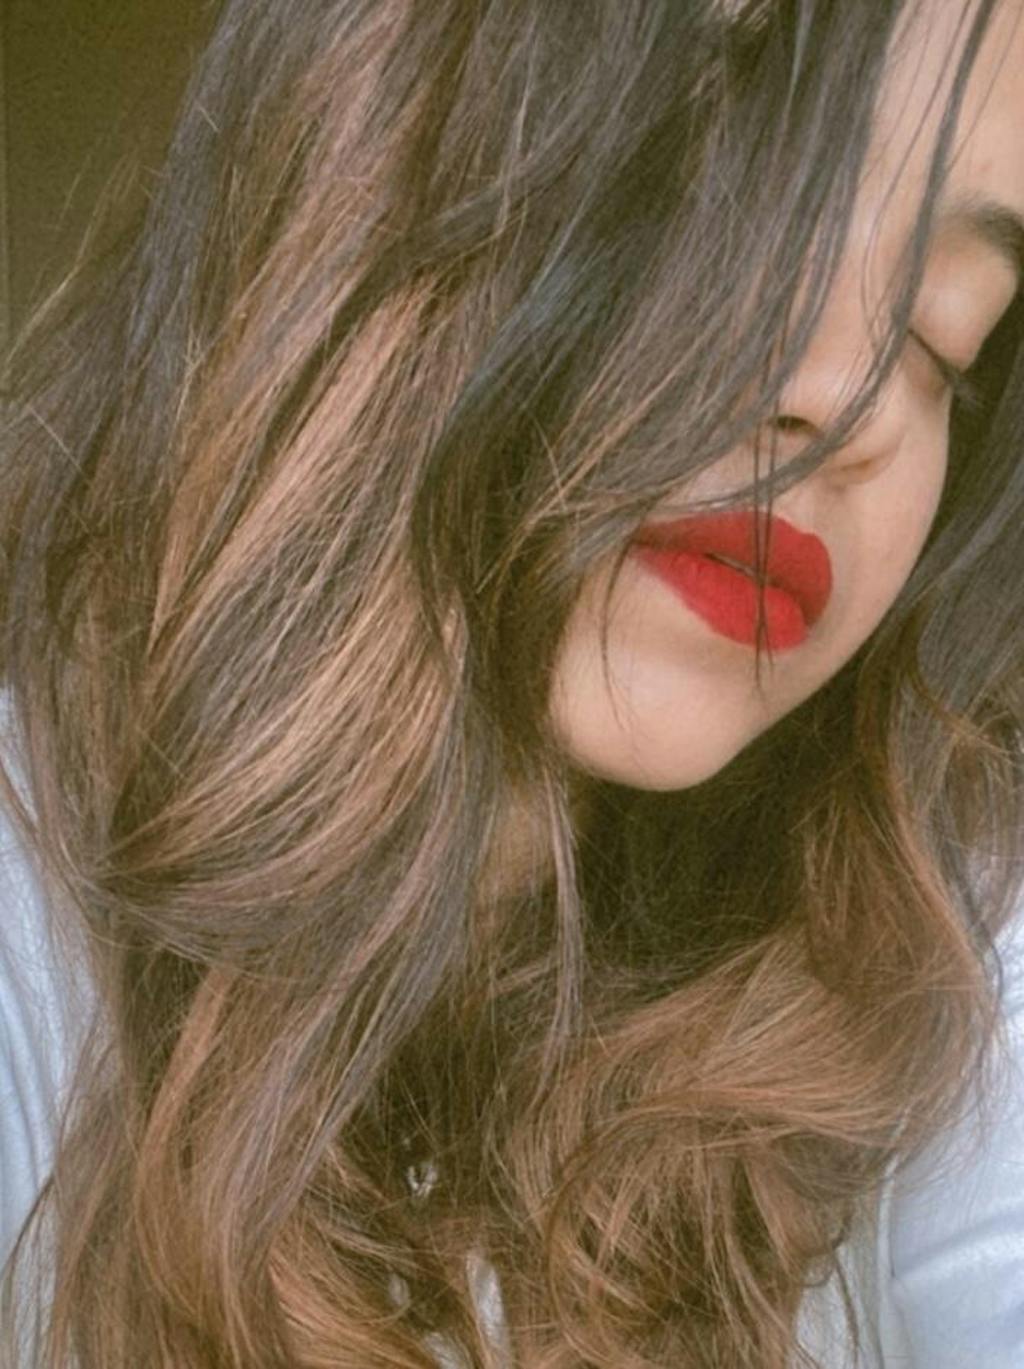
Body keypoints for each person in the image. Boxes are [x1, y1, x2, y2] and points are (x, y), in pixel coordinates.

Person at [0, 0, 1023, 1364]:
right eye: (735, 196)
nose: (851, 405)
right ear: (376, 133)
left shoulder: (937, 979)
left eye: (945, 339)